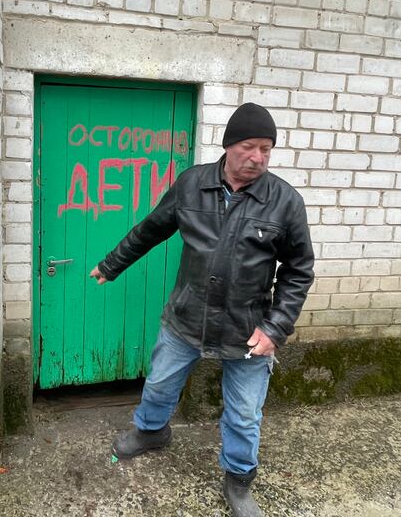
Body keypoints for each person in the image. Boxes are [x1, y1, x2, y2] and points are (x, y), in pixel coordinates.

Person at [89, 102, 315, 517]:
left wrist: (276, 328)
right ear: (229, 145)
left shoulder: (284, 201)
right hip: (186, 317)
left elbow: (299, 269)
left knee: (245, 415)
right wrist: (111, 264)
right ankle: (152, 433)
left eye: (266, 149)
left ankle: (239, 480)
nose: (258, 158)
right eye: (249, 146)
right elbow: (150, 229)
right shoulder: (192, 185)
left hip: (248, 328)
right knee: (159, 385)